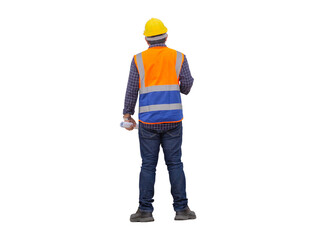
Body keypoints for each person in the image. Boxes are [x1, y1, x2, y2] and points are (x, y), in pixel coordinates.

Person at [123, 18, 196, 222]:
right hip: (173, 120)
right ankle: (181, 210)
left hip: (148, 122)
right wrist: (177, 86)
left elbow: (131, 89)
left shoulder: (138, 59)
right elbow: (188, 85)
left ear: (146, 40)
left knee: (148, 166)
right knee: (175, 164)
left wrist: (127, 115)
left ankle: (145, 211)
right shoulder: (179, 57)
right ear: (166, 36)